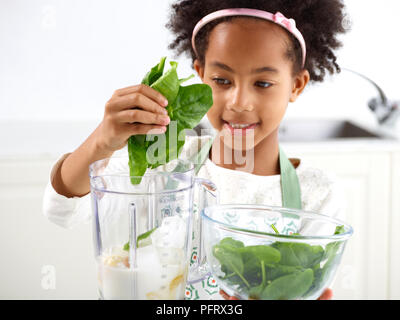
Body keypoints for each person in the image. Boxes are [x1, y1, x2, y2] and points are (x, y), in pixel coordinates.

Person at [42, 0, 349, 300]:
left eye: (263, 83)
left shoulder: (317, 194)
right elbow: (62, 209)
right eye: (222, 80)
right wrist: (102, 140)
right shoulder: (165, 160)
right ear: (200, 73)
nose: (239, 102)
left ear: (296, 84)